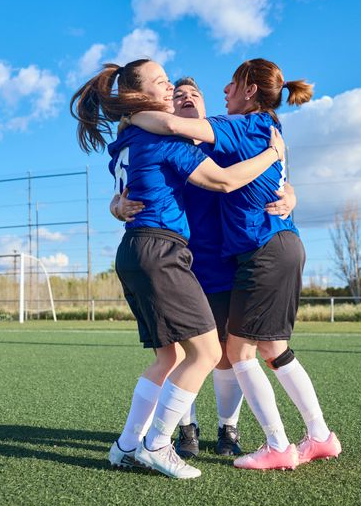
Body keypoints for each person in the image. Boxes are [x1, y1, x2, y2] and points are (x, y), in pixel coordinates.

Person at [70, 58, 286, 479]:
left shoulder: (127, 139)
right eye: (163, 83)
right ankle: (158, 444)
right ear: (141, 95)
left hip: (135, 251)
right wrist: (273, 154)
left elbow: (127, 184)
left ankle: (126, 445)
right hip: (161, 251)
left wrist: (287, 190)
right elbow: (224, 181)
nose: (172, 89)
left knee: (169, 356)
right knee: (207, 352)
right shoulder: (165, 137)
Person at [130, 58, 341, 470]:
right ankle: (190, 432)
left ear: (247, 91)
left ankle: (254, 435)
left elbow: (235, 171)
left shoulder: (226, 132)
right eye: (177, 94)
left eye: (201, 93)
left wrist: (290, 190)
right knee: (217, 351)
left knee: (233, 353)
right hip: (192, 262)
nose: (222, 91)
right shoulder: (172, 145)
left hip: (248, 254)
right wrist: (117, 201)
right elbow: (138, 176)